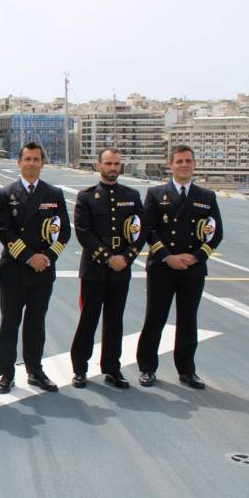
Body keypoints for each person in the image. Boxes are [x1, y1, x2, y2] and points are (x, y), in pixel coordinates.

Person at [136, 145, 223, 389]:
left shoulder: (207, 196)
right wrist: (167, 256)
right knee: (155, 318)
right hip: (162, 268)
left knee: (188, 320)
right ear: (170, 165)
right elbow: (148, 229)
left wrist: (195, 257)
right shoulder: (156, 193)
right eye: (179, 161)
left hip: (192, 270)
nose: (184, 165)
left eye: (188, 161)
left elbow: (216, 234)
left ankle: (186, 371)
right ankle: (147, 368)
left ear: (194, 164)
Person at [0, 142, 70, 394]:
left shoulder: (54, 194)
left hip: (42, 271)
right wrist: (29, 257)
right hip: (14, 270)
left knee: (36, 324)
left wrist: (46, 258)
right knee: (9, 324)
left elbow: (64, 232)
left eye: (36, 159)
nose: (31, 163)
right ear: (19, 162)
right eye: (27, 159)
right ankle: (6, 374)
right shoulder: (5, 194)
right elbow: (4, 230)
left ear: (42, 163)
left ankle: (35, 371)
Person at [70, 148, 145, 389]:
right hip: (94, 270)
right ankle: (80, 369)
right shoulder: (86, 197)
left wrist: (126, 258)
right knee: (88, 320)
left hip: (121, 270)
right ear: (98, 165)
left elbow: (141, 231)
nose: (113, 168)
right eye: (108, 163)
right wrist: (108, 258)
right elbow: (83, 232)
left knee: (115, 321)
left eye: (116, 164)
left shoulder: (131, 195)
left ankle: (112, 369)